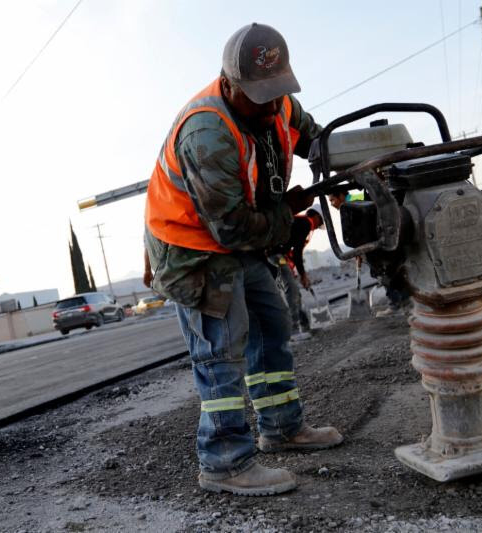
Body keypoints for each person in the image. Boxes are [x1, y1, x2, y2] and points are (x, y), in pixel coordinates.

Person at [144, 23, 343, 496]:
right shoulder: (207, 133)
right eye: (259, 97)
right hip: (193, 249)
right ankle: (224, 462)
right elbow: (230, 227)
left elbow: (316, 140)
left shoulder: (279, 102)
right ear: (230, 85)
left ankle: (281, 427)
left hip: (241, 237)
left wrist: (339, 173)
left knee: (271, 325)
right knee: (220, 350)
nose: (271, 107)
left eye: (277, 93)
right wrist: (289, 219)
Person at [276, 208, 324, 332]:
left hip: (278, 255)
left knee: (292, 290)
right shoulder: (306, 223)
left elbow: (292, 250)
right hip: (275, 254)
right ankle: (296, 327)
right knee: (291, 289)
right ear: (316, 217)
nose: (316, 228)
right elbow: (297, 252)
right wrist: (303, 275)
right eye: (319, 223)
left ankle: (303, 324)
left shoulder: (298, 221)